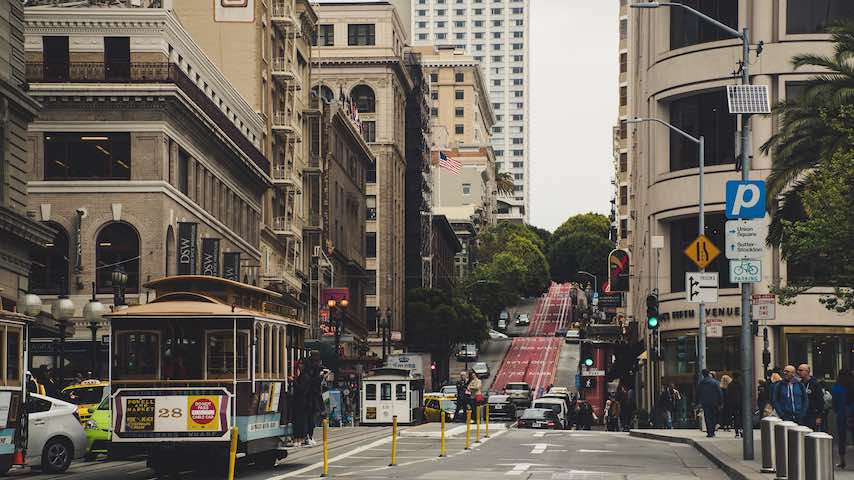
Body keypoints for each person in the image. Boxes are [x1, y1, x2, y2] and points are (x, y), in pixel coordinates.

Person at [832, 370, 854, 469]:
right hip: (852, 414)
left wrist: (838, 411)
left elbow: (835, 403)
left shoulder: (836, 387)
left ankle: (842, 461)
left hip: (841, 414)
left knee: (842, 439)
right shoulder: (851, 386)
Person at [798, 364, 825, 431]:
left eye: (801, 370)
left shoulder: (815, 384)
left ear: (807, 372)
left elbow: (820, 401)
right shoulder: (799, 384)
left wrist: (819, 416)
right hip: (802, 414)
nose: (798, 372)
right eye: (798, 370)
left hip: (812, 415)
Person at [697, 369, 723, 437]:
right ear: (709, 373)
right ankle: (712, 431)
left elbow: (698, 393)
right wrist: (720, 402)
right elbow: (719, 392)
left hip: (705, 402)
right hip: (714, 402)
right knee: (713, 416)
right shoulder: (715, 382)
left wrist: (697, 402)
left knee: (707, 417)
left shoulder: (701, 382)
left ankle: (709, 432)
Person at [725, 372, 744, 437]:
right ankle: (742, 430)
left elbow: (728, 395)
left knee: (736, 417)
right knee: (741, 417)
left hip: (733, 403)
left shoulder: (730, 385)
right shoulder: (741, 384)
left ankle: (736, 432)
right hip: (741, 403)